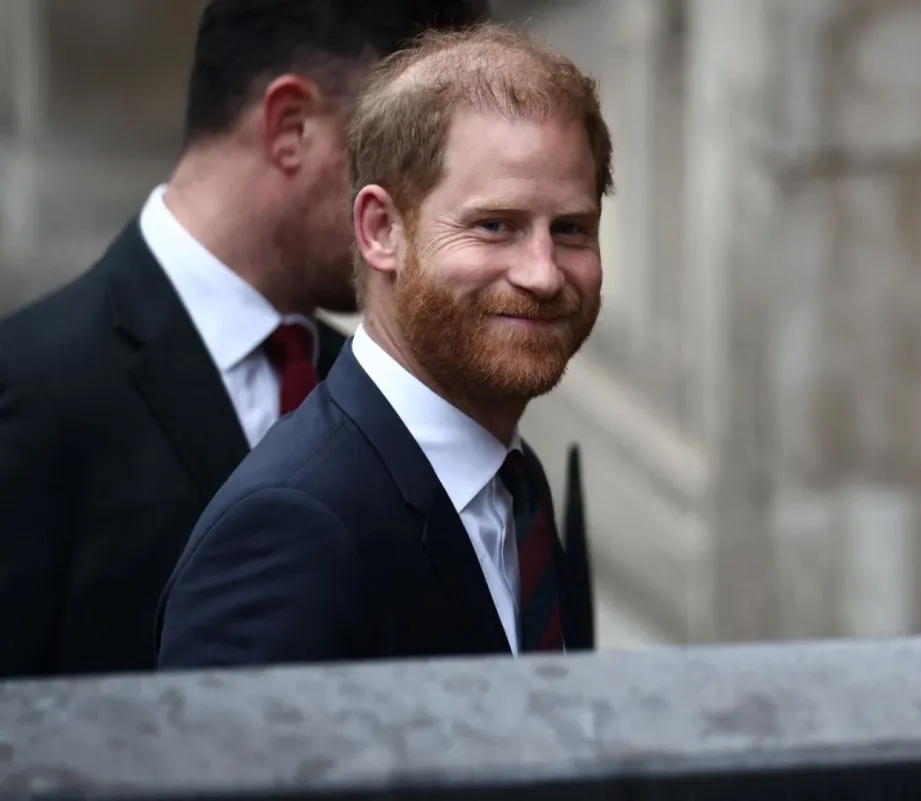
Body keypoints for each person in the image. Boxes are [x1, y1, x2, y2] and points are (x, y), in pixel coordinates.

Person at [0, 0, 488, 679]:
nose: (423, 213)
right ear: (291, 126)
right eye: (405, 159)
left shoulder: (371, 385)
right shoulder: (30, 390)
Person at [156, 24, 613, 668]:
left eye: (570, 229)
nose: (542, 273)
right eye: (493, 225)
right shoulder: (290, 530)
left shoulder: (515, 485)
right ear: (380, 231)